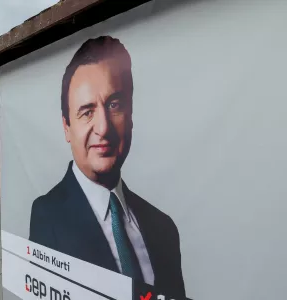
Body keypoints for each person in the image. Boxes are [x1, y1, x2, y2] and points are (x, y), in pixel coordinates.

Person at [29, 36, 185, 298]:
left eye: (114, 105)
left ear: (131, 115)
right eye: (87, 111)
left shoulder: (164, 227)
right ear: (67, 127)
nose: (103, 128)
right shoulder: (47, 217)